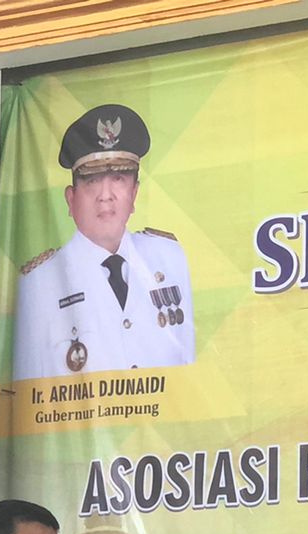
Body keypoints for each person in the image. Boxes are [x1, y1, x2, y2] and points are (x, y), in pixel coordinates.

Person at [13, 103, 195, 380]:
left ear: (134, 194)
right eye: (92, 181)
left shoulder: (169, 257)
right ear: (71, 199)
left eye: (118, 178)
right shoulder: (40, 282)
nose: (105, 195)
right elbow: (30, 390)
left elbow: (187, 371)